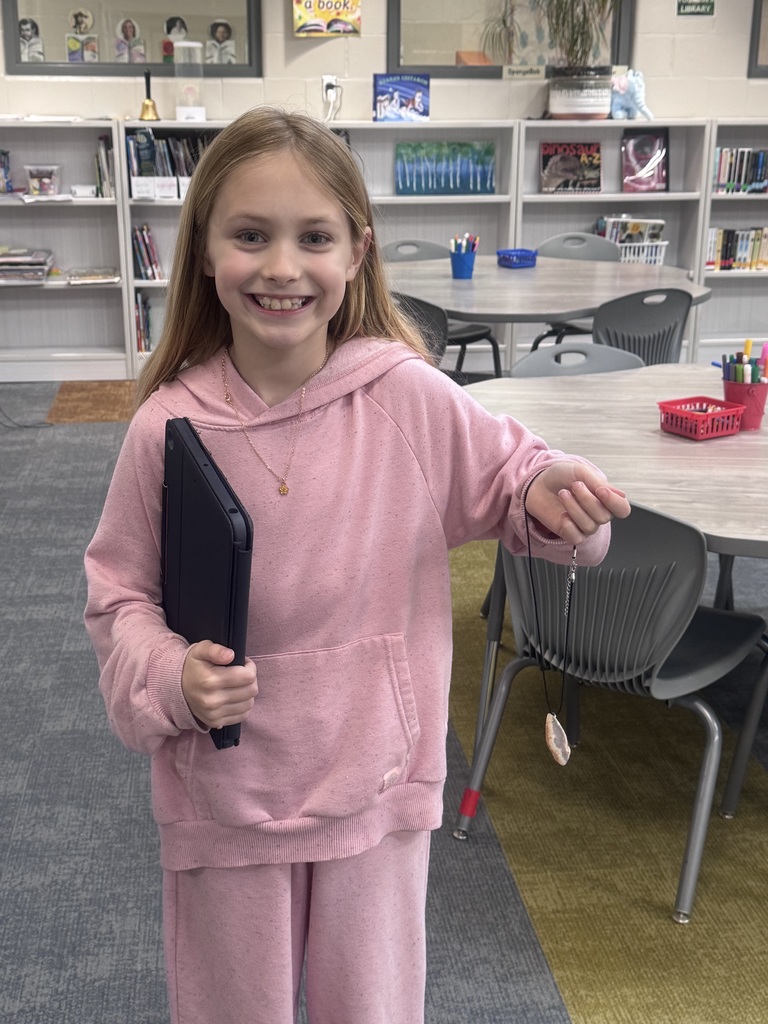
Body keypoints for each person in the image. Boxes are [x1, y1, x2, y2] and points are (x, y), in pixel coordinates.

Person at [83, 106, 630, 1024]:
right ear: (207, 253)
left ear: (357, 252)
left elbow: (520, 484)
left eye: (315, 238)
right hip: (224, 797)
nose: (283, 267)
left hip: (376, 787)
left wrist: (556, 497)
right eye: (251, 235)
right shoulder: (165, 429)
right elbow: (118, 598)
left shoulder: (406, 397)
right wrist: (171, 677)